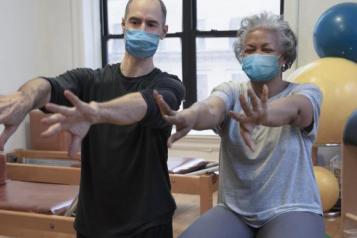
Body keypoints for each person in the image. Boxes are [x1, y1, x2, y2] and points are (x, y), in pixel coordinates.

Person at [0, 0, 185, 237]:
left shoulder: (170, 85)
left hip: (148, 224)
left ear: (163, 32)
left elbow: (146, 103)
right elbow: (48, 85)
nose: (142, 30)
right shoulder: (89, 81)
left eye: (151, 24)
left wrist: (96, 112)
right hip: (93, 225)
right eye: (135, 21)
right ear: (123, 25)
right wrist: (25, 99)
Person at [154, 12, 325, 238]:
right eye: (250, 49)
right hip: (235, 211)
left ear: (283, 58)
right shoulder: (233, 92)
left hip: (292, 206)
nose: (257, 54)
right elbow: (212, 108)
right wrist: (190, 116)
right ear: (241, 56)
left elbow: (296, 110)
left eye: (266, 49)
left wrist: (264, 114)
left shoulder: (305, 92)